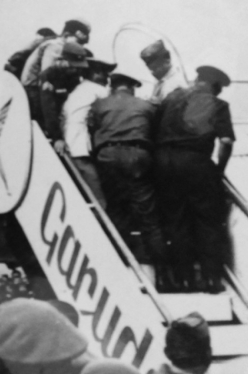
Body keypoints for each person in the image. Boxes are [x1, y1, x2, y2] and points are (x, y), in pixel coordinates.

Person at [154, 65, 234, 293]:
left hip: (164, 162)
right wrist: (218, 169)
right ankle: (211, 279)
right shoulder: (217, 104)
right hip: (196, 162)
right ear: (215, 86)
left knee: (175, 221)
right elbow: (226, 142)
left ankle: (183, 279)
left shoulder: (171, 98)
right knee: (207, 221)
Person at [87, 71, 168, 288]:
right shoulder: (146, 106)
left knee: (115, 213)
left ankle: (114, 275)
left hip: (108, 157)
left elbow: (92, 129)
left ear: (112, 86)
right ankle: (163, 278)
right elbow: (155, 133)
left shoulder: (99, 105)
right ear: (132, 87)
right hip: (138, 156)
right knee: (149, 218)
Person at [60, 58, 116, 207]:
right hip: (80, 146)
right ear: (96, 73)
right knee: (97, 192)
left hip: (70, 144)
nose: (107, 79)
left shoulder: (78, 91)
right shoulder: (98, 90)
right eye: (105, 74)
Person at [21, 19, 91, 129]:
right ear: (67, 35)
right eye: (78, 42)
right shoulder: (57, 46)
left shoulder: (55, 44)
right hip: (34, 93)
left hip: (35, 91)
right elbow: (47, 75)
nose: (80, 48)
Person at [39, 42, 89, 154]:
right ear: (62, 60)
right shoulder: (48, 76)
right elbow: (48, 109)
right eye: (73, 65)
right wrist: (57, 138)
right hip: (51, 124)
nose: (76, 70)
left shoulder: (75, 76)